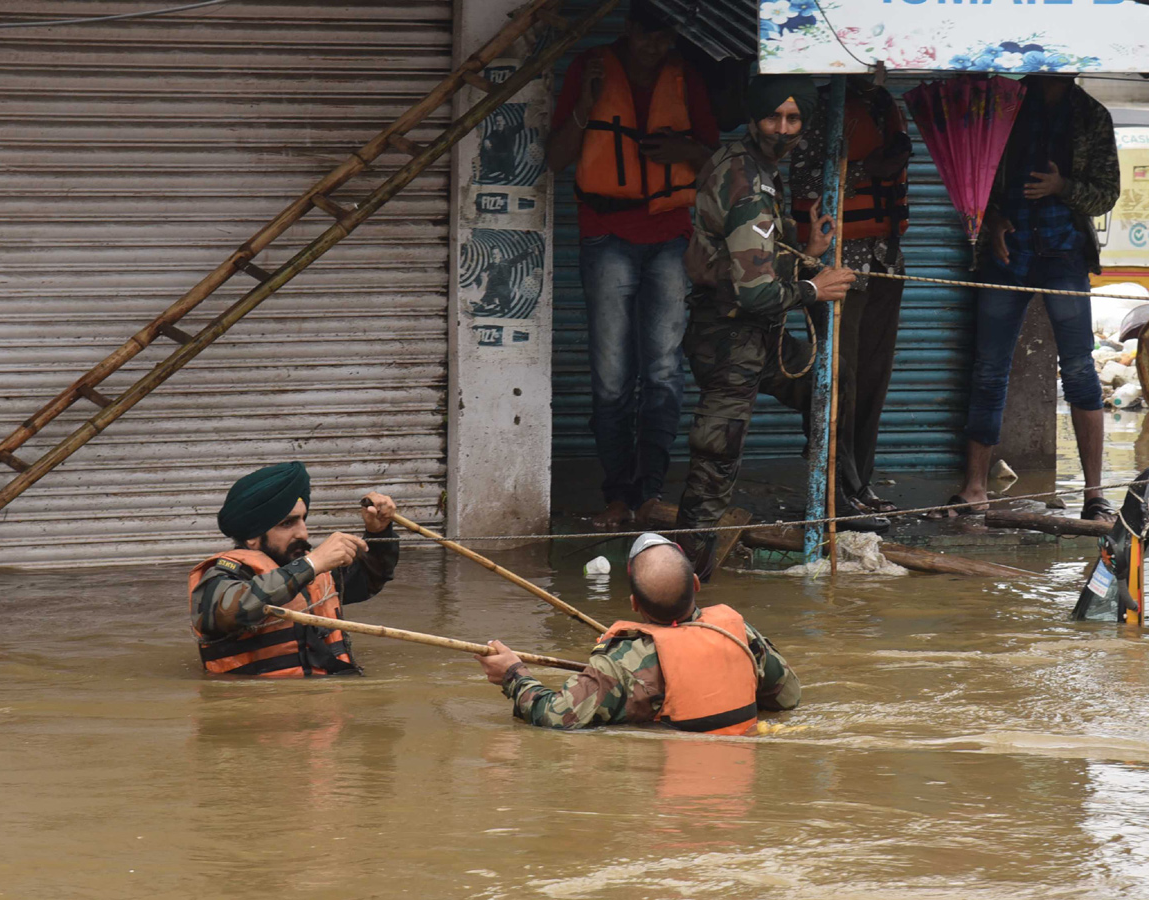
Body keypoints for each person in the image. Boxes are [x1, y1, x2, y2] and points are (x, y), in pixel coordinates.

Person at [674, 74, 888, 581]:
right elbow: (753, 291)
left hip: (757, 337)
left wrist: (808, 252)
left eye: (794, 119)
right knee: (714, 461)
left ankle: (834, 504)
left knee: (824, 391)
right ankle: (681, 582)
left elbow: (757, 264)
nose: (784, 128)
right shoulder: (748, 181)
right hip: (730, 337)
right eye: (774, 117)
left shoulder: (758, 169)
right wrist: (818, 287)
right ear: (754, 119)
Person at [547, 0, 721, 530]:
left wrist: (684, 149)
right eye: (649, 35)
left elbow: (714, 159)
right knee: (611, 380)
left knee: (665, 373)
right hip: (605, 235)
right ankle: (616, 497)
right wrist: (588, 102)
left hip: (671, 235)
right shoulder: (591, 69)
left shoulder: (686, 74)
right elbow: (556, 159)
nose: (656, 47)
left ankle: (650, 494)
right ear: (629, 28)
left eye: (666, 37)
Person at [936, 74, 1120, 522]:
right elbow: (979, 176)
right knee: (989, 368)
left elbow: (1106, 194)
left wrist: (1063, 188)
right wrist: (993, 218)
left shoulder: (1092, 115)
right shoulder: (1001, 107)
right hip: (1008, 250)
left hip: (1064, 254)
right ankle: (975, 488)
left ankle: (1094, 495)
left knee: (1079, 368)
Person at [475, 532, 800, 731]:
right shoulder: (738, 631)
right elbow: (787, 698)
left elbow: (554, 718)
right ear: (697, 585)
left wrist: (513, 675)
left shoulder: (620, 662)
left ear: (634, 604)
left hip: (677, 771)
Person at [790, 75, 912, 515]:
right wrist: (866, 171)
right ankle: (832, 486)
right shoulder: (822, 107)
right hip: (840, 261)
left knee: (873, 378)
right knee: (838, 377)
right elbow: (802, 183)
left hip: (886, 261)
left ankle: (859, 484)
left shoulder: (884, 103)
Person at [188, 461, 399, 677]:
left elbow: (368, 579)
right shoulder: (221, 575)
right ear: (252, 536)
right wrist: (311, 565)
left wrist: (378, 533)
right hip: (258, 705)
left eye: (303, 519)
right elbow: (228, 612)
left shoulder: (309, 571)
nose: (303, 534)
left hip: (327, 701)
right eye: (288, 523)